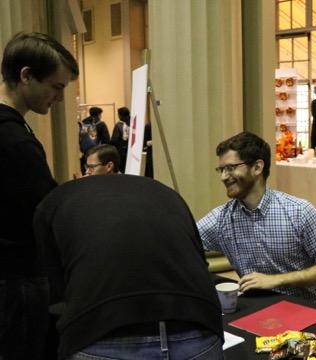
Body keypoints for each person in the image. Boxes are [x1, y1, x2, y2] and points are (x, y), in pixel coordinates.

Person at [33, 175, 224, 360]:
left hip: (100, 334)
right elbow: (198, 258)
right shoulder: (164, 193)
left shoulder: (52, 204)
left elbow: (58, 283)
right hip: (197, 326)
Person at [0, 31, 79, 360]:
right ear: (26, 76)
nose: (59, 98)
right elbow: (46, 210)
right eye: (56, 87)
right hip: (16, 280)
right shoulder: (14, 139)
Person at [197, 132, 316, 304]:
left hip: (308, 309)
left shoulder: (298, 212)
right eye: (221, 170)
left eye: (230, 168)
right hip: (255, 309)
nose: (223, 177)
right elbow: (182, 242)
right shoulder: (220, 219)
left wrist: (276, 280)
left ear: (258, 167)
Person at [79, 106, 110, 174]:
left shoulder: (83, 123)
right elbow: (106, 139)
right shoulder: (101, 124)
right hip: (98, 151)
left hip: (85, 152)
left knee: (86, 170)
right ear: (99, 114)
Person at [110, 106, 130, 171]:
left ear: (120, 115)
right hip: (130, 151)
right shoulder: (131, 124)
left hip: (121, 151)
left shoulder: (118, 126)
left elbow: (114, 140)